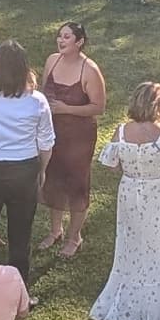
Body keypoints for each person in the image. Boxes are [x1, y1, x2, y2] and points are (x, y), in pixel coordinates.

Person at [89, 82, 160, 320]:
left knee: (130, 246)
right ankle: (153, 307)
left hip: (129, 194)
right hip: (158, 196)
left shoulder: (121, 132)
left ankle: (126, 298)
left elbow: (112, 165)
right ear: (158, 106)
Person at [0, 42, 54, 272]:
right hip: (24, 170)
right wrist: (42, 170)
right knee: (20, 234)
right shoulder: (37, 101)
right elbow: (46, 142)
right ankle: (20, 290)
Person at [40, 24, 110, 257]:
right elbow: (43, 93)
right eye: (59, 36)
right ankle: (55, 230)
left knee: (77, 183)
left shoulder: (89, 70)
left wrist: (66, 108)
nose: (60, 40)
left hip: (79, 136)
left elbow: (98, 107)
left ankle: (74, 236)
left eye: (66, 37)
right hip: (53, 132)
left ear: (79, 42)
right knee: (54, 177)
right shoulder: (52, 61)